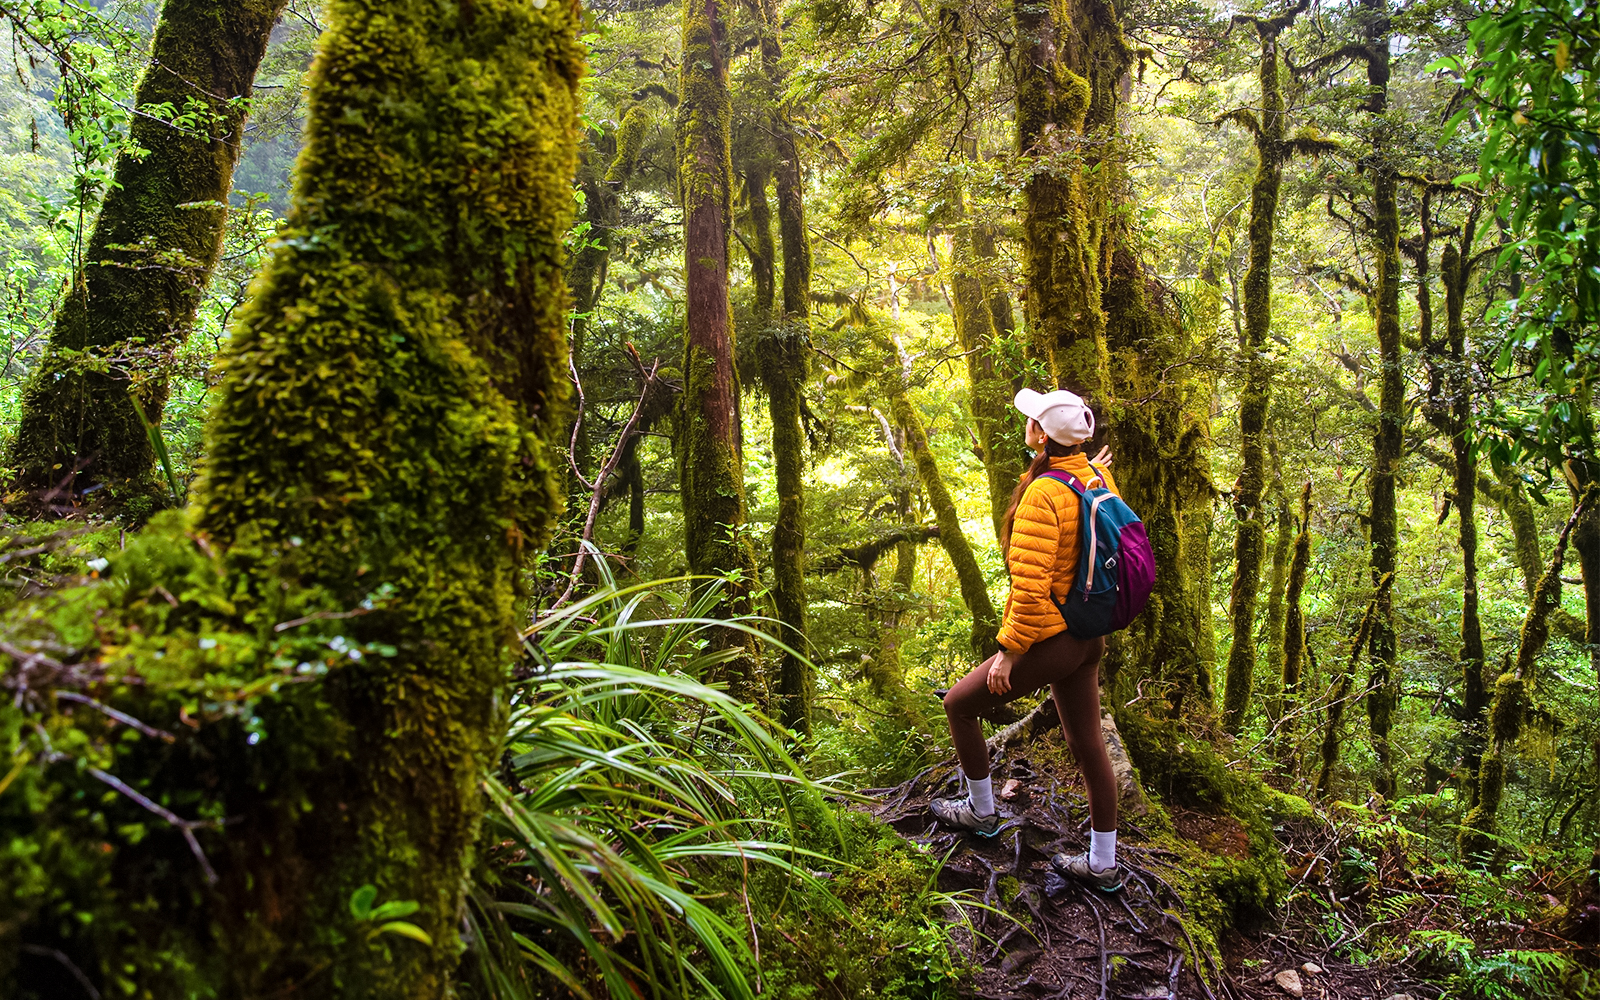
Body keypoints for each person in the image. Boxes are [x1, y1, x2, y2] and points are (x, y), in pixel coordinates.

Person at [929, 387, 1124, 893]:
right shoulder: (1096, 475)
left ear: (1039, 433)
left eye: (1032, 420)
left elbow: (1031, 587)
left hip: (1054, 638)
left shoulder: (1042, 495)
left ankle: (981, 812)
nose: (1027, 425)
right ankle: (1103, 863)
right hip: (1090, 636)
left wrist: (1009, 653)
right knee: (1088, 742)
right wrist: (1088, 465)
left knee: (958, 705)